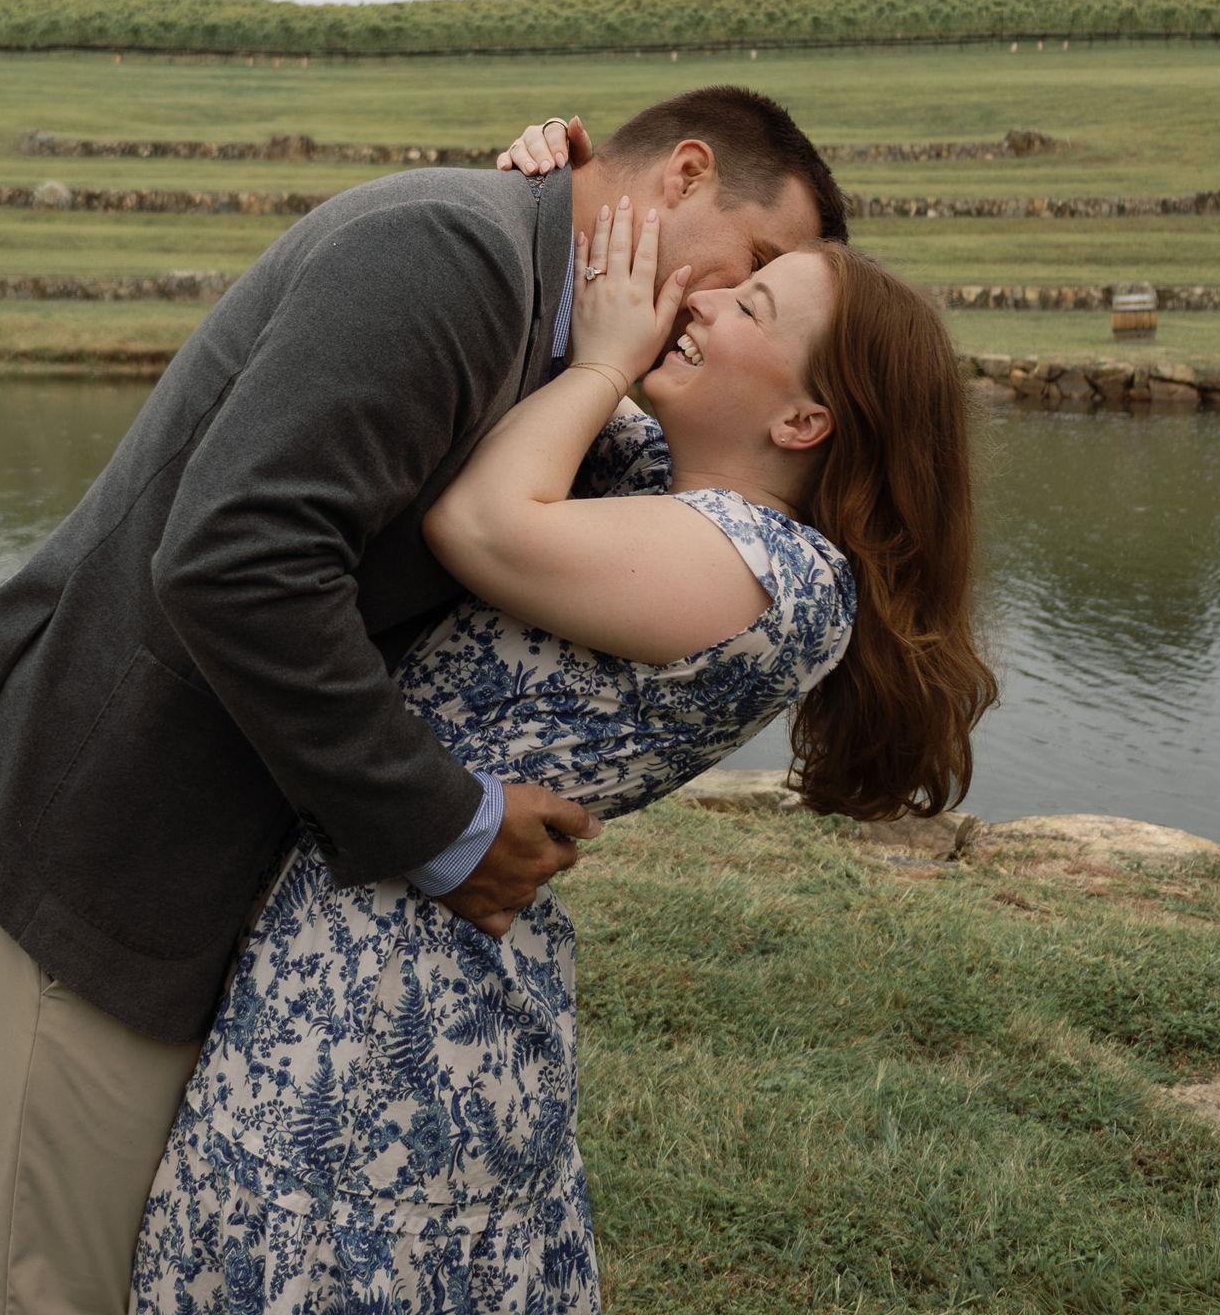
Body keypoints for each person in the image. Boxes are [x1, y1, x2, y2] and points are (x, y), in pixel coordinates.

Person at [0, 85, 849, 1315]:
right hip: (96, 844)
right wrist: (446, 821)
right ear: (682, 174)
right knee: (40, 1286)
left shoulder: (545, 310)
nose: (709, 300)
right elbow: (236, 559)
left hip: (198, 863)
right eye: (748, 261)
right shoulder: (446, 252)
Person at [127, 194, 996, 1310]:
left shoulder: (769, 576)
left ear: (802, 421)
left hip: (407, 1002)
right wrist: (546, 185)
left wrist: (602, 359)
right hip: (363, 935)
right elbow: (522, 388)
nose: (702, 293)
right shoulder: (656, 483)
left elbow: (480, 520)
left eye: (751, 302)